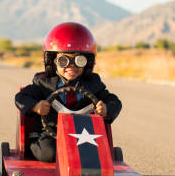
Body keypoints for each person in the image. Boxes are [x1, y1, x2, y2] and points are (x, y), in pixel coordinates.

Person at [15, 22, 122, 162]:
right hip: (52, 133)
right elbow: (21, 97)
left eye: (79, 60)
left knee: (94, 155)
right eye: (63, 60)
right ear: (52, 62)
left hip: (85, 133)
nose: (71, 66)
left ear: (88, 62)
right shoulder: (43, 82)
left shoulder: (94, 83)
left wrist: (107, 109)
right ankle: (36, 146)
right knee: (48, 154)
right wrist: (35, 106)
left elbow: (114, 101)